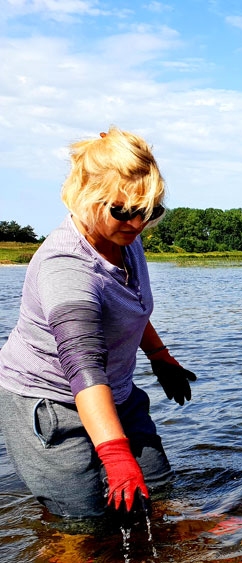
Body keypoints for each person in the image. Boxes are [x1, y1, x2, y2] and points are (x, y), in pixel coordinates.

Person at [0, 127, 196, 522]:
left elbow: (129, 309)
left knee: (159, 497)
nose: (138, 222)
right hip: (51, 401)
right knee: (82, 522)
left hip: (116, 394)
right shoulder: (67, 268)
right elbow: (82, 363)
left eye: (150, 211)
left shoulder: (124, 238)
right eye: (123, 210)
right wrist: (115, 453)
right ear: (87, 197)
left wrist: (160, 357)